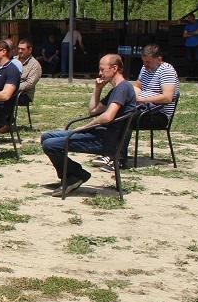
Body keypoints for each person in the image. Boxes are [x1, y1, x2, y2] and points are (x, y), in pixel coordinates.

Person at [40, 54, 136, 197]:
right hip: (100, 135)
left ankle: (77, 175)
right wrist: (97, 88)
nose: (100, 73)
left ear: (114, 68)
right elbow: (93, 110)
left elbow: (108, 116)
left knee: (50, 144)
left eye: (102, 69)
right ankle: (69, 176)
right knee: (46, 137)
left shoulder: (123, 88)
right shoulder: (116, 90)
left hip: (106, 141)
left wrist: (85, 127)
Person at [97, 43, 178, 173]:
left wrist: (142, 99)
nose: (145, 65)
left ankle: (119, 159)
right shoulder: (145, 69)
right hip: (143, 110)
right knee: (117, 112)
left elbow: (167, 98)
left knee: (126, 117)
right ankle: (110, 152)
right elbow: (138, 88)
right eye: (144, 61)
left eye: (148, 62)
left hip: (159, 115)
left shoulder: (166, 70)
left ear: (159, 59)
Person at [183, 13, 198, 77]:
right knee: (189, 60)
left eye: (189, 18)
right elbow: (184, 35)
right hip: (188, 45)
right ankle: (190, 76)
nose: (188, 19)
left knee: (197, 60)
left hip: (197, 45)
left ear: (192, 18)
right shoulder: (187, 25)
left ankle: (197, 75)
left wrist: (189, 34)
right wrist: (193, 33)